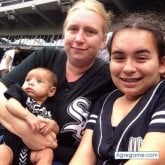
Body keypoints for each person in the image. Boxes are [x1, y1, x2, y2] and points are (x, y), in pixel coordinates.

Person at [0, 0, 115, 164]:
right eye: (73, 29)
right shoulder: (46, 56)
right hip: (13, 146)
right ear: (64, 32)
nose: (79, 38)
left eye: (90, 32)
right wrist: (25, 132)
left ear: (103, 40)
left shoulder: (108, 78)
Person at [69, 12, 165, 165]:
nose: (128, 68)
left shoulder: (160, 96)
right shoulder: (104, 101)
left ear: (161, 64)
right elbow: (84, 156)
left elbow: (152, 157)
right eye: (119, 58)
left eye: (141, 58)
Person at [0, 67, 59, 165]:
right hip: (10, 147)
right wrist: (28, 116)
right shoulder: (21, 94)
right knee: (2, 152)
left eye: (39, 81)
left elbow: (56, 130)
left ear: (51, 91)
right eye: (27, 80)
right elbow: (10, 104)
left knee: (47, 153)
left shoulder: (52, 106)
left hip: (33, 151)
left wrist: (53, 125)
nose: (30, 83)